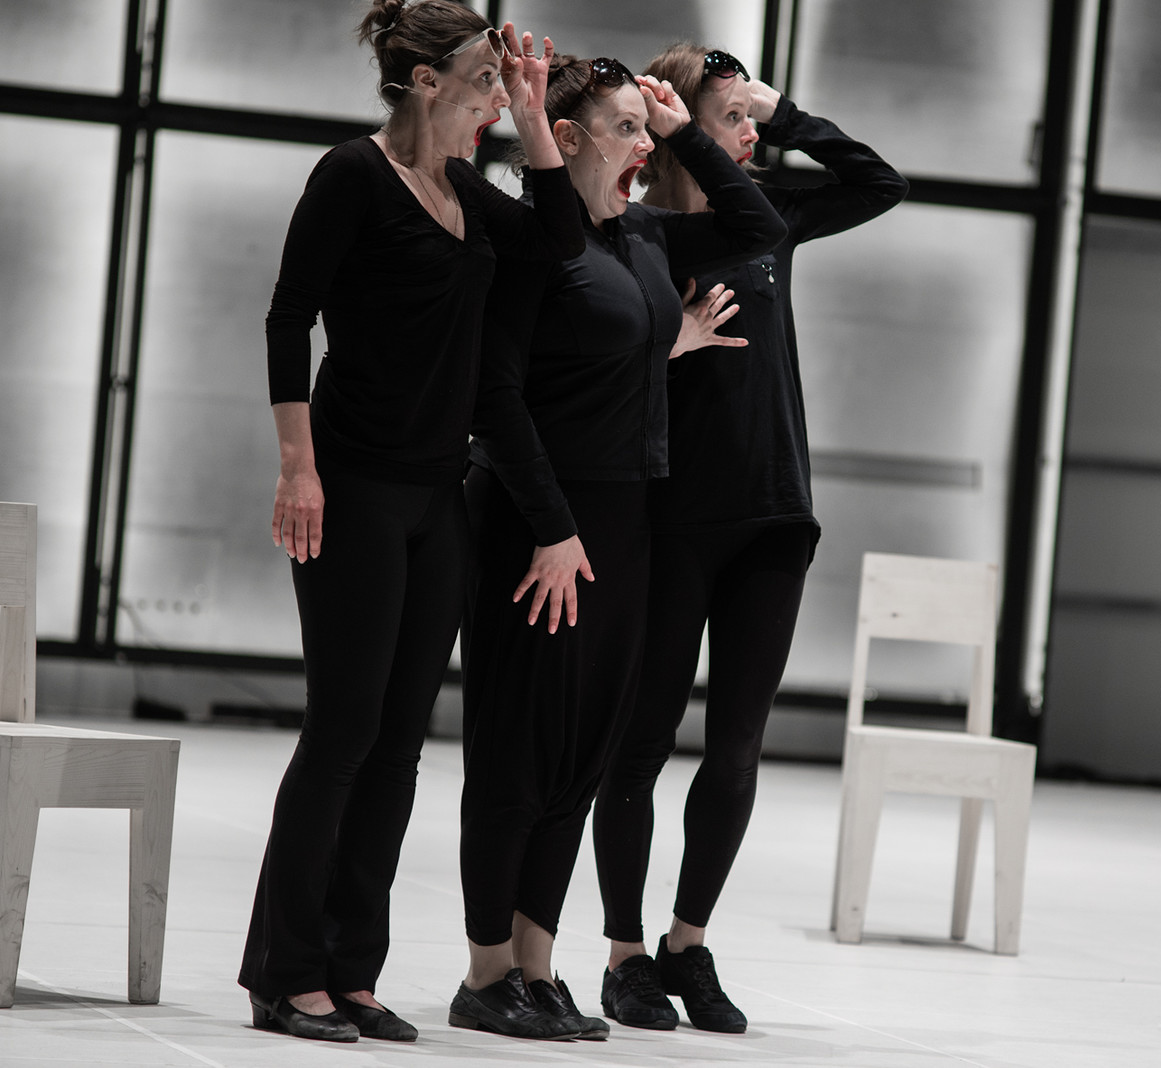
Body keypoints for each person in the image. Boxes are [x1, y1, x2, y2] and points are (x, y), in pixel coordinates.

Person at [237, 0, 582, 1045]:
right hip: (351, 485)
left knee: (397, 749)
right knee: (342, 733)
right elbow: (288, 317)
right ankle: (284, 972)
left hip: (439, 495)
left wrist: (536, 122)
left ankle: (352, 970)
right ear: (425, 81)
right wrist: (297, 468)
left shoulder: (467, 189)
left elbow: (558, 243)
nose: (497, 92)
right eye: (486, 76)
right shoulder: (351, 174)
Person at [453, 56, 786, 1041]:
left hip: (624, 527)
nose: (646, 145)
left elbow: (758, 226)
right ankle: (485, 973)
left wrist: (685, 131)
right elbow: (496, 399)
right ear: (569, 136)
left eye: (649, 128)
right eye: (629, 128)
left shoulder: (643, 235)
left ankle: (537, 965)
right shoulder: (531, 239)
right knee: (516, 756)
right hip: (536, 525)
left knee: (578, 759)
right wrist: (551, 527)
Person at [590, 44, 909, 1034]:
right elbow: (593, 356)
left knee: (734, 752)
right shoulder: (640, 229)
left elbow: (880, 184)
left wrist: (787, 113)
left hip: (772, 516)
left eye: (751, 121)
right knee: (640, 744)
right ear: (678, 122)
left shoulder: (768, 211)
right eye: (731, 117)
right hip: (671, 519)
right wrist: (667, 338)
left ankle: (687, 943)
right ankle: (625, 954)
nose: (750, 134)